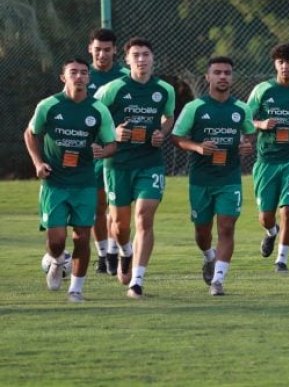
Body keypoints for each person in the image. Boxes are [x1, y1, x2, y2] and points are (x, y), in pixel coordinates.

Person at [24, 58, 116, 302]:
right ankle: (56, 260)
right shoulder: (49, 106)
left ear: (88, 78)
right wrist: (38, 163)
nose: (79, 76)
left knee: (82, 236)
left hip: (85, 182)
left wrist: (102, 151)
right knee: (56, 240)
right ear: (63, 77)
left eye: (83, 73)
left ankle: (76, 289)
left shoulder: (98, 110)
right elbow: (31, 133)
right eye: (73, 72)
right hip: (55, 182)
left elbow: (112, 144)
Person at [95, 37, 176, 298]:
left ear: (153, 59)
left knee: (144, 216)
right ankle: (125, 251)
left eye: (145, 55)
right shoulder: (114, 88)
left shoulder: (164, 89)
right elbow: (92, 113)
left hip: (149, 163)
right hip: (118, 164)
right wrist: (112, 132)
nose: (141, 59)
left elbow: (168, 116)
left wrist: (162, 132)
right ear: (127, 60)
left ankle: (137, 281)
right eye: (136, 55)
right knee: (119, 225)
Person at [171, 57, 255, 296]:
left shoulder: (241, 109)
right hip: (201, 179)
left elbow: (249, 134)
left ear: (232, 77)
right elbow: (177, 137)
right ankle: (209, 256)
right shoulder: (195, 108)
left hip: (229, 178)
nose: (222, 77)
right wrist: (197, 147)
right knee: (202, 232)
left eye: (227, 73)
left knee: (227, 227)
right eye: (217, 72)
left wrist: (246, 145)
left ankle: (218, 280)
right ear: (207, 77)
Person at [247, 43, 289, 273]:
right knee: (266, 216)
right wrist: (260, 124)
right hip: (267, 160)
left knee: (288, 209)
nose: (285, 66)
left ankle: (282, 259)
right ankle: (271, 232)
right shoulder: (262, 89)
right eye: (280, 62)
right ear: (275, 64)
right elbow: (244, 118)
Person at [85, 28, 128, 275]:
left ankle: (114, 251)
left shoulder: (124, 77)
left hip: (117, 153)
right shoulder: (82, 75)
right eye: (98, 49)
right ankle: (103, 255)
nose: (102, 54)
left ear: (115, 50)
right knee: (96, 209)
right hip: (88, 152)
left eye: (107, 49)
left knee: (114, 208)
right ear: (90, 48)